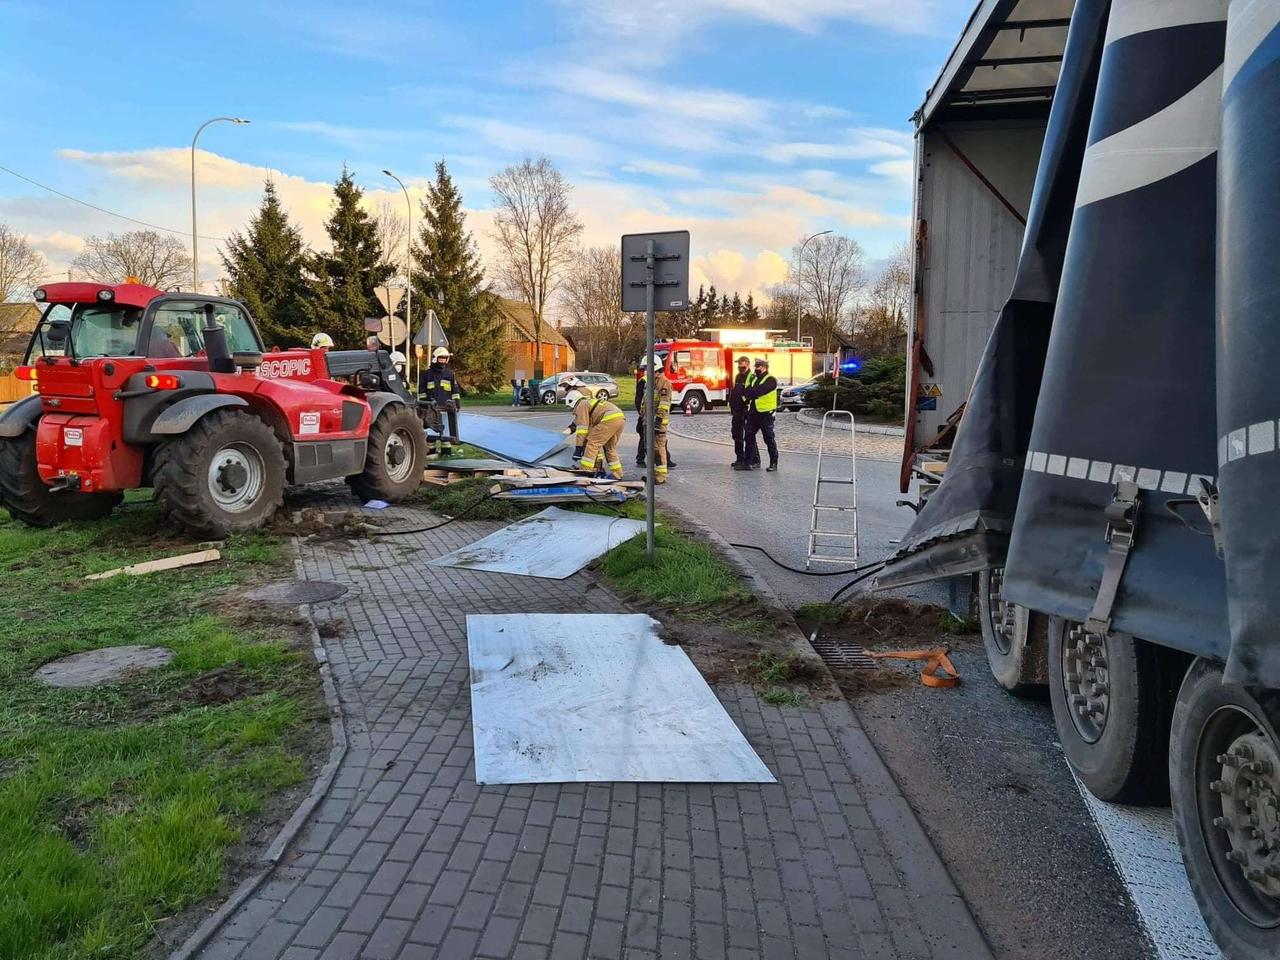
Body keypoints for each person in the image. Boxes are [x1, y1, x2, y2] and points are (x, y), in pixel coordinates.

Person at [563, 377, 626, 478]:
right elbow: (578, 422)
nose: (573, 411)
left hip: (609, 419)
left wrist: (578, 449)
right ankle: (617, 474)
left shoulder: (580, 405)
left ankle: (585, 472)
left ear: (572, 401)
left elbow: (582, 430)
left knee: (592, 442)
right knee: (609, 448)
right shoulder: (587, 402)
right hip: (619, 418)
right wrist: (567, 431)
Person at [736, 357, 780, 472]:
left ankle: (773, 462)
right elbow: (747, 391)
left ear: (764, 367)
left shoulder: (771, 380)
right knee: (748, 437)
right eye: (755, 366)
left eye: (758, 367)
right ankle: (748, 462)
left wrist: (752, 393)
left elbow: (758, 391)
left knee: (768, 438)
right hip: (754, 413)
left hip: (766, 414)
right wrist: (751, 393)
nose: (756, 369)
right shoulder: (755, 379)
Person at [635, 359, 677, 470]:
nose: (645, 371)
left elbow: (664, 403)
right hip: (648, 422)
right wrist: (642, 418)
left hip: (657, 423)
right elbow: (644, 402)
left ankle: (660, 476)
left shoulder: (663, 382)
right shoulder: (651, 382)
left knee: (659, 449)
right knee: (651, 449)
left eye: (647, 368)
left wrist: (658, 421)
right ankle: (654, 474)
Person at [419, 346, 460, 446]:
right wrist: (424, 404)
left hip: (446, 408)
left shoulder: (449, 374)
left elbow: (455, 391)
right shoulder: (427, 374)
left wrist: (457, 403)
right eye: (441, 358)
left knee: (445, 433)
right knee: (431, 431)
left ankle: (446, 453)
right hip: (430, 408)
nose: (443, 361)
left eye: (445, 359)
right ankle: (431, 452)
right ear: (435, 358)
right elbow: (421, 390)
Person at [728, 354, 755, 468]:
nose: (740, 368)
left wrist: (745, 404)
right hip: (737, 410)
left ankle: (753, 459)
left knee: (749, 436)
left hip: (745, 410)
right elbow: (735, 391)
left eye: (742, 366)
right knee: (737, 434)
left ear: (748, 365)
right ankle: (740, 458)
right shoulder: (738, 376)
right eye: (739, 366)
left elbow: (751, 393)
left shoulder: (751, 377)